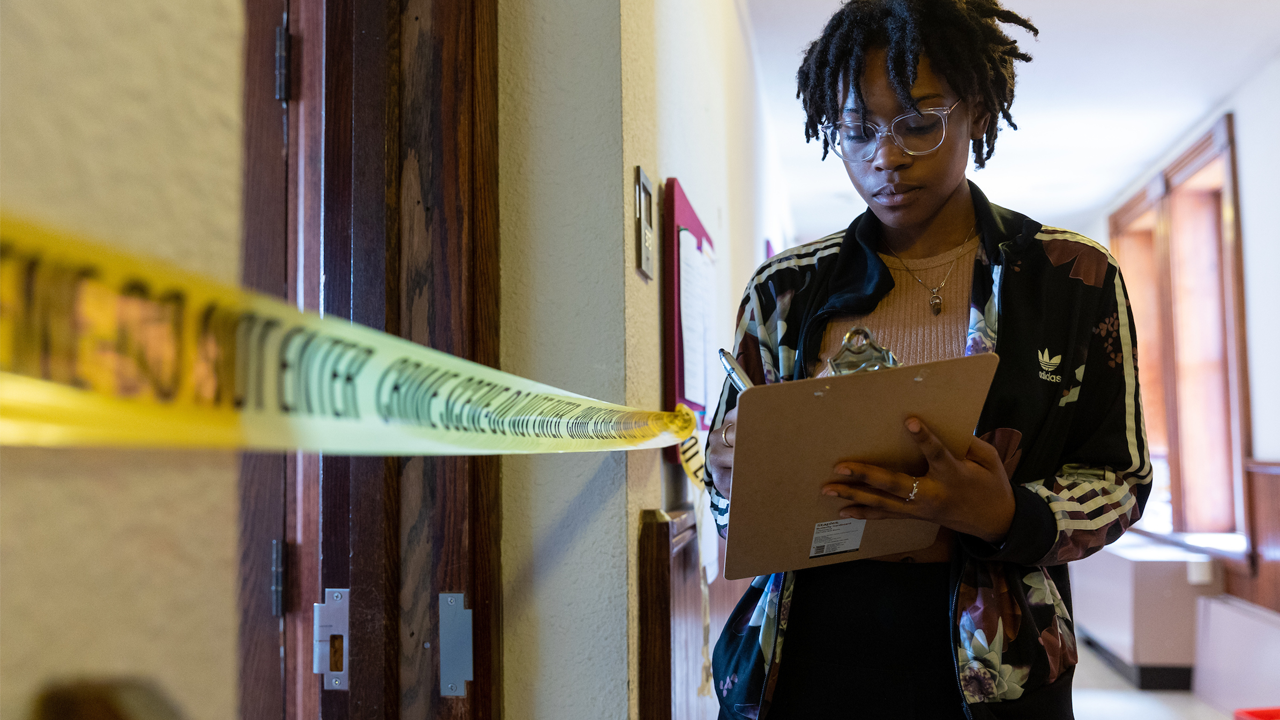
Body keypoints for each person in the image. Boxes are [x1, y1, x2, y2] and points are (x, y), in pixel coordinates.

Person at [703, 1, 1151, 718]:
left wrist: (1011, 513)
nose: (885, 156)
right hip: (803, 653)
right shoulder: (785, 290)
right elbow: (727, 499)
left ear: (976, 110)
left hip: (997, 663)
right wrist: (732, 473)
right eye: (855, 131)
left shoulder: (1072, 277)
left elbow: (1121, 479)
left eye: (918, 122)